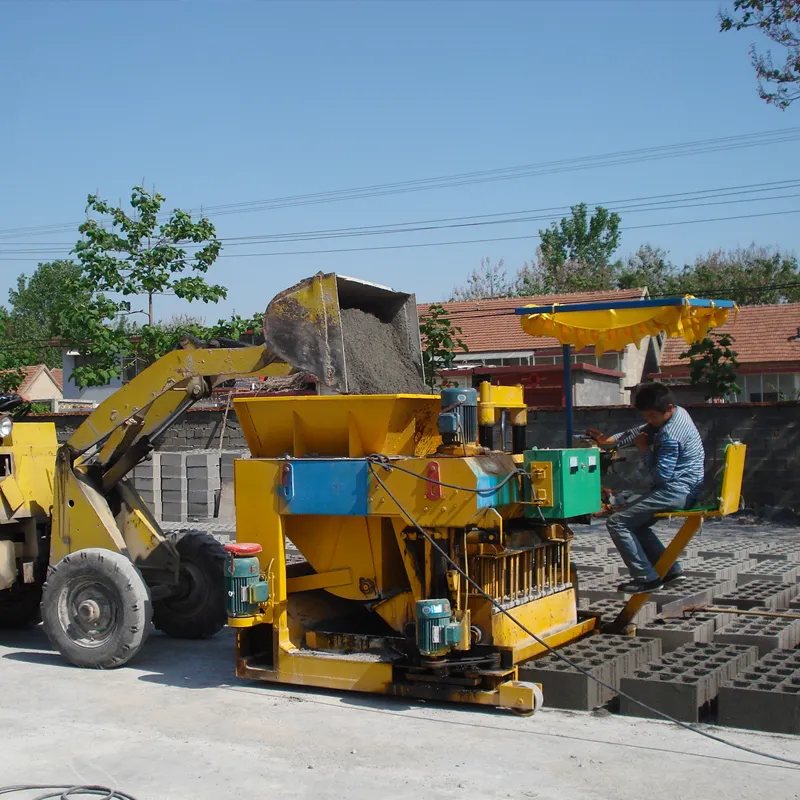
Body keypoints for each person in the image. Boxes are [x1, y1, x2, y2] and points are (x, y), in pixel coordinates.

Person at [587, 382, 705, 594]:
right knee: (637, 524)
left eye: (652, 416)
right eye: (646, 416)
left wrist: (643, 449)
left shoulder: (670, 435)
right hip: (687, 488)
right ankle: (670, 571)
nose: (648, 421)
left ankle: (645, 578)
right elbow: (640, 431)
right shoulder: (679, 413)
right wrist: (607, 441)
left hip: (675, 492)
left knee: (617, 523)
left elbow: (661, 476)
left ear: (667, 408)